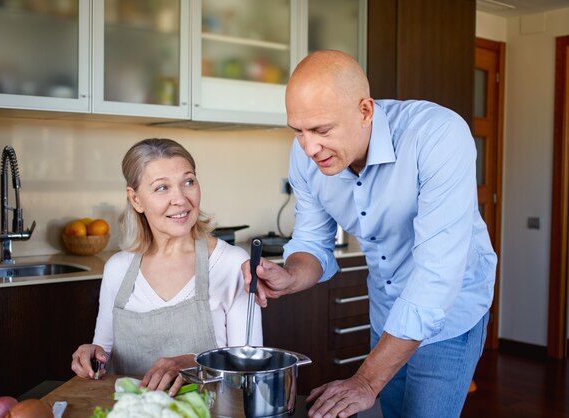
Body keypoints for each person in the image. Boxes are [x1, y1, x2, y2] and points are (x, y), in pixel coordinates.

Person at [242, 50, 497, 418]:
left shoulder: (437, 136)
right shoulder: (306, 157)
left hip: (451, 314)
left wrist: (366, 381)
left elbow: (436, 279)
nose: (309, 147)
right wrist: (289, 276)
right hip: (387, 313)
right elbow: (313, 243)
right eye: (298, 131)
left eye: (322, 130)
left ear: (365, 111)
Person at [72, 138, 262, 396]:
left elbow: (251, 370)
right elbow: (102, 353)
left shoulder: (231, 264)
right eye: (162, 188)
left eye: (188, 182)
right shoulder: (118, 269)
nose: (181, 199)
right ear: (136, 199)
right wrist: (90, 354)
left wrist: (195, 363)